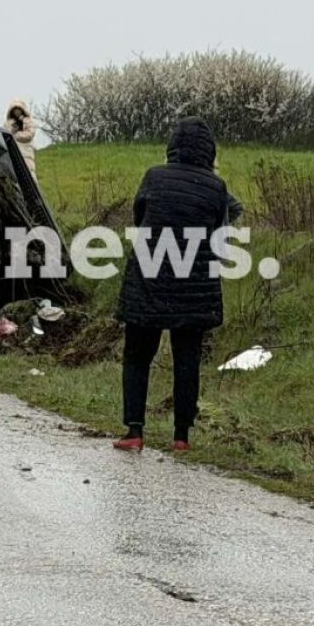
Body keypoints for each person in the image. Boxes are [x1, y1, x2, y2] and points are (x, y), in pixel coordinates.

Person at [113, 117, 238, 452]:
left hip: (149, 280)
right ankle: (181, 436)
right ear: (209, 151)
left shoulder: (154, 176)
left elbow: (139, 217)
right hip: (194, 283)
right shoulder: (216, 187)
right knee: (187, 360)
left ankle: (135, 431)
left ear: (173, 146)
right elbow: (221, 231)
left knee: (138, 355)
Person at [4, 99, 36, 176]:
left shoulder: (28, 121)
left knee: (29, 175)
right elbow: (5, 134)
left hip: (26, 153)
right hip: (12, 152)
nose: (17, 111)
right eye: (15, 109)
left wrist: (16, 135)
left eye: (19, 109)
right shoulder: (8, 123)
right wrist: (12, 131)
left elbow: (30, 134)